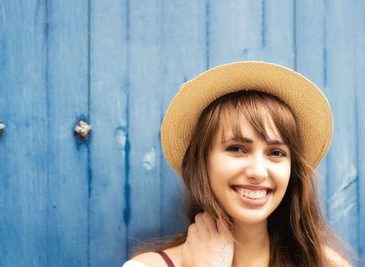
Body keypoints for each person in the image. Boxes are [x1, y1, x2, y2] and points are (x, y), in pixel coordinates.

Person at [122, 61, 353, 267]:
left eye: (276, 152)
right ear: (202, 161)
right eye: (237, 149)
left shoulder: (327, 263)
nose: (257, 172)